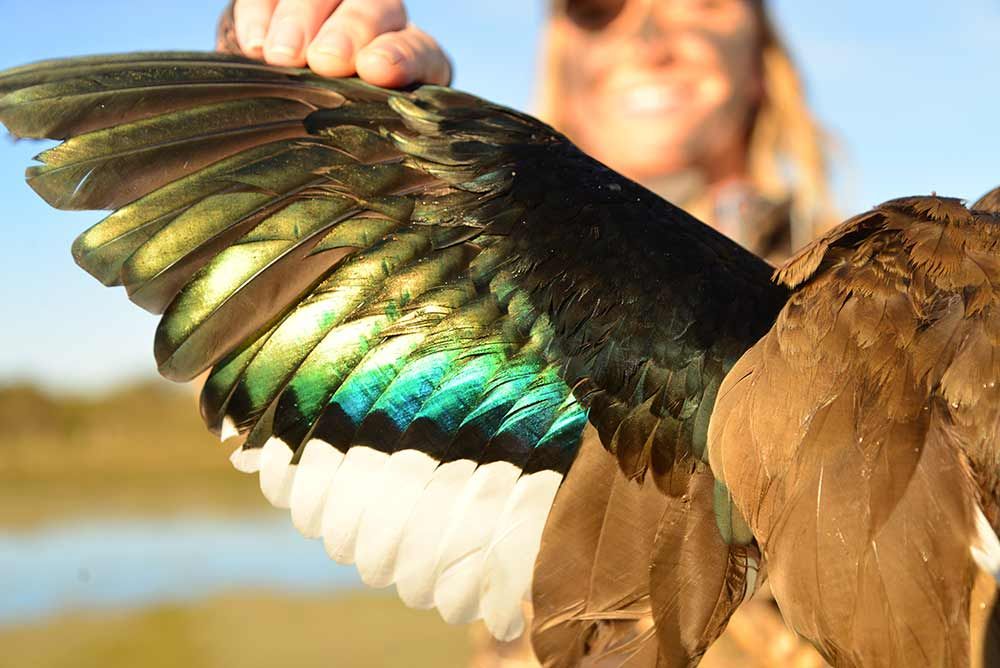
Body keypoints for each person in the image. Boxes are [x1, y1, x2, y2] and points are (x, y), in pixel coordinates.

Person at [217, 1, 832, 665]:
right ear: (559, 58)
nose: (652, 39)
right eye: (599, 9)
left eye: (700, 3)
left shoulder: (881, 308)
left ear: (763, 56)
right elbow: (251, 353)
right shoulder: (452, 245)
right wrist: (295, 118)